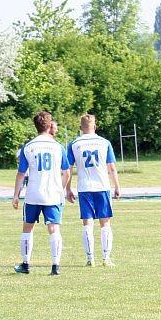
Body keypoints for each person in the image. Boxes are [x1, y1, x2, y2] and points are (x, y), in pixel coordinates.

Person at [13, 111, 72, 275]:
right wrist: (60, 188)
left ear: (36, 126)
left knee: (27, 228)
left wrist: (16, 195)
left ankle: (25, 264)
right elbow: (67, 173)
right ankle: (55, 266)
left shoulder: (28, 147)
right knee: (54, 229)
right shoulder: (58, 147)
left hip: (33, 193)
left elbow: (21, 173)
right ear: (50, 125)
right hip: (53, 194)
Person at [67, 114, 120, 267]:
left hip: (84, 188)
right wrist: (117, 186)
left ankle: (90, 258)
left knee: (87, 223)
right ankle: (106, 258)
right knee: (105, 223)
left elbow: (68, 169)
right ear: (95, 127)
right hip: (102, 186)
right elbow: (111, 167)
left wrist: (68, 188)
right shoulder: (104, 142)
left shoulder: (74, 144)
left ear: (80, 128)